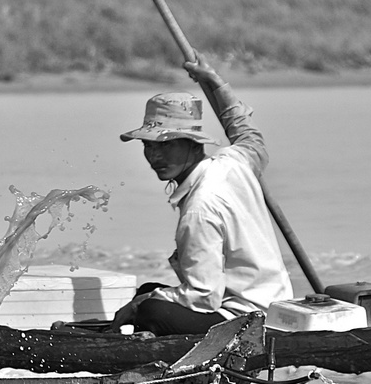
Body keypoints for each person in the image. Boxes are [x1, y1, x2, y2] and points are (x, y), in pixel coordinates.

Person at [108, 55, 293, 335]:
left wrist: (138, 307)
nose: (154, 155)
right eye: (148, 145)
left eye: (167, 145)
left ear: (194, 146)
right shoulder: (231, 162)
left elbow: (204, 297)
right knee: (149, 291)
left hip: (247, 319)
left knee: (150, 310)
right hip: (274, 302)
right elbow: (250, 138)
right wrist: (216, 84)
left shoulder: (200, 209)